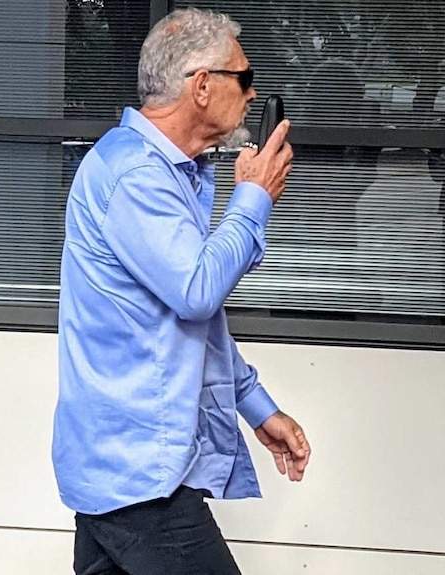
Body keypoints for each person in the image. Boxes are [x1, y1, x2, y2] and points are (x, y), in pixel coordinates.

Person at [52, 8, 311, 574]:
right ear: (201, 86)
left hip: (130, 474)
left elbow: (191, 320)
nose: (253, 94)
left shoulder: (173, 173)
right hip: (139, 479)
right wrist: (254, 198)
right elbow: (197, 290)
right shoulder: (135, 174)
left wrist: (256, 407)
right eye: (244, 79)